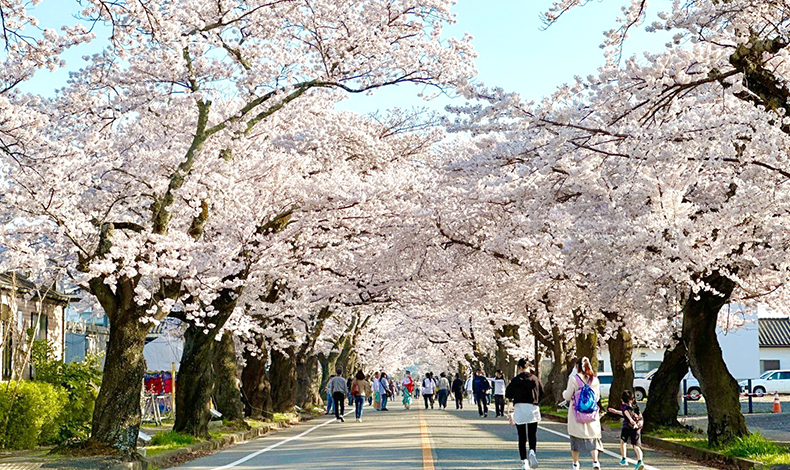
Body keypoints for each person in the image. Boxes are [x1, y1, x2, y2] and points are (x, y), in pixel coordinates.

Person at [562, 357, 603, 470]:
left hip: (576, 414)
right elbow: (597, 397)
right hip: (591, 414)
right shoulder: (594, 380)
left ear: (577, 366)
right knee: (593, 439)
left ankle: (575, 464)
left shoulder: (574, 379)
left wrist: (564, 393)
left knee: (575, 440)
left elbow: (568, 395)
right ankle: (595, 462)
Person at [506, 359, 543, 470]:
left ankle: (524, 462)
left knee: (522, 436)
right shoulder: (535, 379)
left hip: (520, 409)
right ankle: (532, 451)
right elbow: (542, 392)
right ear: (529, 367)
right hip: (533, 408)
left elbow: (508, 394)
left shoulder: (516, 380)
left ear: (519, 368)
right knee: (532, 434)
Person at [608, 390, 645, 470]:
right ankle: (640, 461)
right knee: (636, 446)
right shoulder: (635, 407)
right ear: (632, 399)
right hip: (637, 428)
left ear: (622, 399)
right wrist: (616, 412)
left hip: (627, 427)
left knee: (623, 442)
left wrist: (631, 421)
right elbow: (627, 414)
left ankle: (624, 459)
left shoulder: (624, 407)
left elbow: (626, 413)